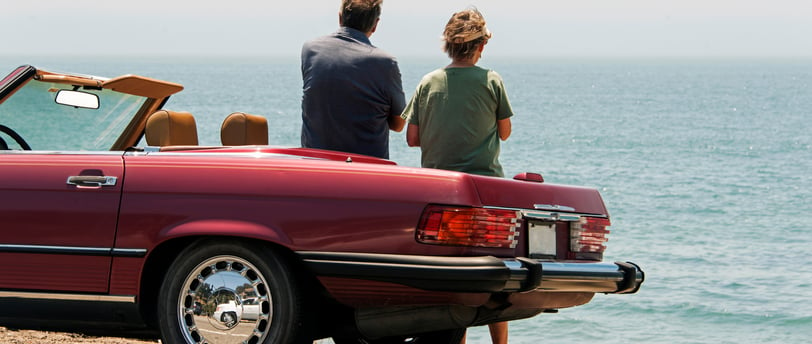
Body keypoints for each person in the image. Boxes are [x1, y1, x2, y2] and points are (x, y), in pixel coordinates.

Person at [400, 7, 513, 344]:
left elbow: (412, 138)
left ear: (448, 46)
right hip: (485, 191)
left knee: (451, 278)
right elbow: (505, 132)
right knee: (495, 276)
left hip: (438, 194)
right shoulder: (492, 80)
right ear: (480, 47)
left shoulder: (428, 82)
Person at [300, 0, 406, 159]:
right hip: (365, 168)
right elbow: (399, 124)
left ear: (340, 18)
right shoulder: (385, 62)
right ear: (375, 25)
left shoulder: (310, 49)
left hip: (316, 164)